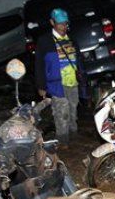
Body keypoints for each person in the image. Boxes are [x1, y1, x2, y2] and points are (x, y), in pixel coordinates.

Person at [34, 8, 81, 146]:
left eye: (65, 23)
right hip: (56, 85)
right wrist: (41, 86)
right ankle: (63, 142)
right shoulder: (44, 41)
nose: (63, 27)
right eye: (60, 24)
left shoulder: (71, 39)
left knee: (73, 112)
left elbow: (79, 61)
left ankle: (74, 137)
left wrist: (83, 79)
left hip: (73, 83)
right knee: (62, 114)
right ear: (52, 22)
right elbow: (39, 65)